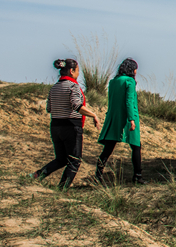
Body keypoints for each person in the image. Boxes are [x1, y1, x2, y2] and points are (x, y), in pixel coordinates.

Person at [35, 58, 99, 189]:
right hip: (71, 126)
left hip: (55, 126)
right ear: (71, 71)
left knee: (61, 159)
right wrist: (93, 115)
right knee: (74, 161)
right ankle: (62, 188)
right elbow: (77, 105)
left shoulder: (54, 88)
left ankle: (38, 175)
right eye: (77, 71)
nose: (78, 73)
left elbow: (49, 108)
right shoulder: (73, 86)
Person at [96, 58, 144, 185]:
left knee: (108, 148)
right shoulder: (130, 81)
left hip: (113, 116)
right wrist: (132, 120)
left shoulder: (113, 82)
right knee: (136, 146)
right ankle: (137, 176)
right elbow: (129, 101)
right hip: (128, 117)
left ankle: (98, 174)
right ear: (132, 70)